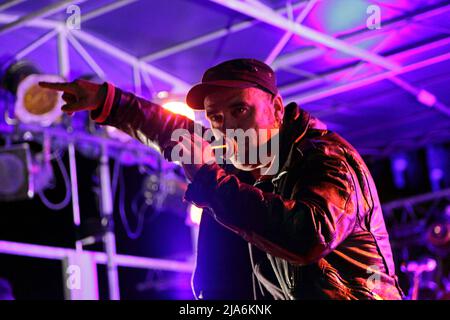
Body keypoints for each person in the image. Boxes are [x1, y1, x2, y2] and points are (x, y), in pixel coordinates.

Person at [40, 58, 403, 300]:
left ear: (277, 110)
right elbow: (174, 130)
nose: (226, 127)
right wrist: (108, 101)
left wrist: (211, 182)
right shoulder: (239, 155)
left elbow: (307, 236)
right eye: (215, 117)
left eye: (239, 110)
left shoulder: (325, 160)